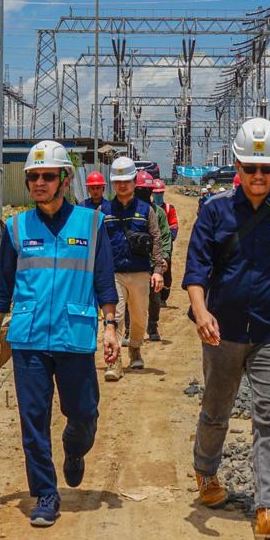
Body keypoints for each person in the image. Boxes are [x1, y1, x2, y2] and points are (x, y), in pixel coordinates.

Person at [184, 117, 270, 540]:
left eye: (267, 168)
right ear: (237, 166)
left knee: (269, 418)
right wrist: (201, 313)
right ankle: (205, 472)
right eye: (251, 168)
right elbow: (196, 271)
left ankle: (269, 509)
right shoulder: (215, 211)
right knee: (217, 410)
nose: (259, 176)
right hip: (223, 333)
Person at [0, 140, 120, 528]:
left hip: (74, 336)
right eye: (33, 177)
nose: (39, 183)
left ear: (64, 179)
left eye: (47, 176)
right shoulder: (15, 228)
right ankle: (45, 493)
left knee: (83, 412)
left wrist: (110, 327)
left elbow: (104, 281)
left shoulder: (91, 224)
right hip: (28, 340)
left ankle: (75, 447)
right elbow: (1, 287)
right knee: (33, 420)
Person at [100, 157, 166, 380]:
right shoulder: (104, 210)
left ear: (134, 181)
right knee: (114, 318)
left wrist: (158, 270)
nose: (122, 185)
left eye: (126, 180)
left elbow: (157, 239)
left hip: (139, 272)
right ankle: (114, 361)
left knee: (139, 318)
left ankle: (135, 348)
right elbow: (97, 244)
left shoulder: (146, 210)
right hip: (113, 274)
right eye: (118, 181)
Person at [132, 171, 172, 343]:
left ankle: (152, 326)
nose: (144, 194)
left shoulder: (159, 213)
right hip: (133, 263)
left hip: (153, 263)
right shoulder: (129, 212)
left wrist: (165, 258)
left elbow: (164, 237)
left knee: (154, 299)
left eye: (147, 190)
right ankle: (128, 330)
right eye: (141, 190)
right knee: (130, 300)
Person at [154, 178, 178, 308]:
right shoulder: (150, 208)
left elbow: (174, 226)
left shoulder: (169, 209)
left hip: (166, 244)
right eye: (156, 193)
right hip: (152, 245)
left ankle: (163, 297)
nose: (158, 195)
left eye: (160, 193)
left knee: (166, 271)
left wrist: (168, 239)